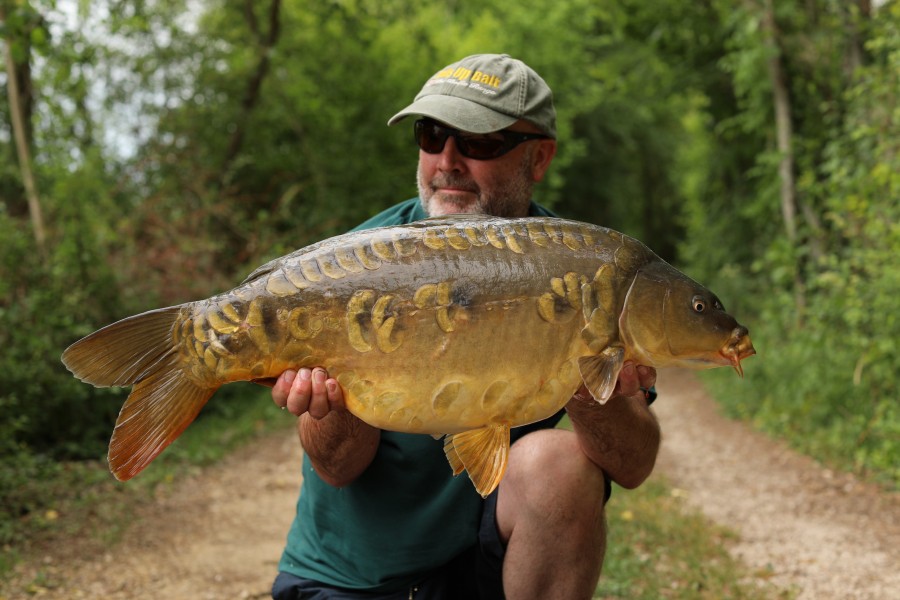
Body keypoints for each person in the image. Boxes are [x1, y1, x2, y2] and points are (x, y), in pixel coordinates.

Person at [270, 53, 660, 600]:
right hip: (354, 580)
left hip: (487, 569)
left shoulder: (588, 268)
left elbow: (634, 463)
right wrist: (327, 402)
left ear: (539, 158)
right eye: (431, 135)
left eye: (478, 142)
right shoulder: (355, 270)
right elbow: (337, 467)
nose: (446, 161)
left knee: (562, 466)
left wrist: (591, 380)